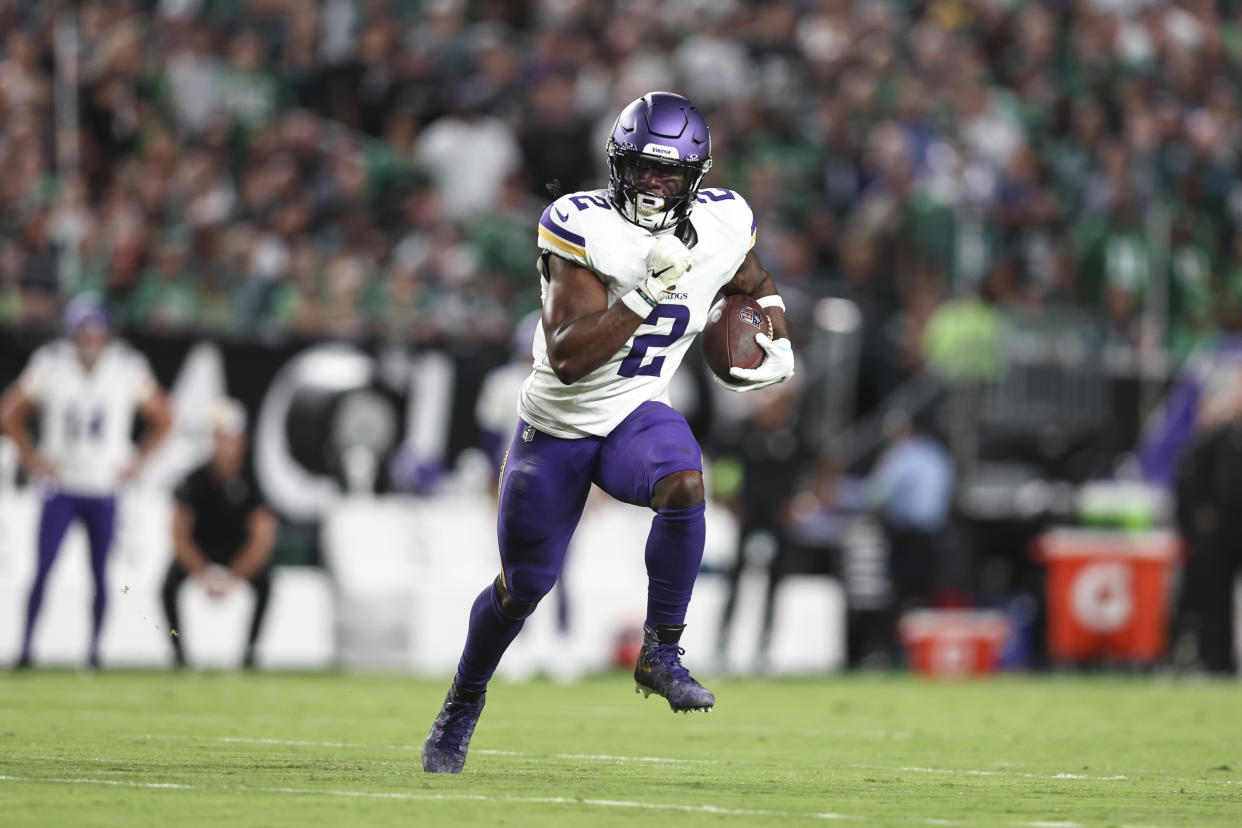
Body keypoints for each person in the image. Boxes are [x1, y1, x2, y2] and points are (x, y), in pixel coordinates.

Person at [422, 91, 795, 773]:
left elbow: (751, 275)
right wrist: (645, 295)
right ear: (616, 166)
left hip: (633, 412)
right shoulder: (578, 224)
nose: (653, 185)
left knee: (684, 482)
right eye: (641, 170)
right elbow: (566, 356)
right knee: (525, 586)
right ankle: (463, 700)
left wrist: (774, 325)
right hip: (559, 426)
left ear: (695, 178)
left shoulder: (723, 221)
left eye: (669, 174)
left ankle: (662, 651)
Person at [1, 295, 172, 668]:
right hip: (60, 485)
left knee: (100, 573)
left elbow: (164, 416)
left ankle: (94, 653)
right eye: (84, 332)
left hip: (103, 486)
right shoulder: (50, 364)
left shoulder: (127, 368)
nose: (90, 339)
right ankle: (26, 650)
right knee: (43, 570)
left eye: (95, 332)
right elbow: (10, 411)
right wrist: (31, 457)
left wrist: (137, 461)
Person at [162, 398, 277, 669]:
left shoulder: (252, 482)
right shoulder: (194, 480)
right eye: (221, 438)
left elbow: (262, 538)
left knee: (266, 584)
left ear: (243, 441)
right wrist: (202, 572)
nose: (227, 445)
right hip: (202, 550)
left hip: (236, 551)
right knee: (167, 588)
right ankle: (178, 653)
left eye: (232, 438)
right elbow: (179, 534)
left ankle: (250, 654)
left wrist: (234, 577)